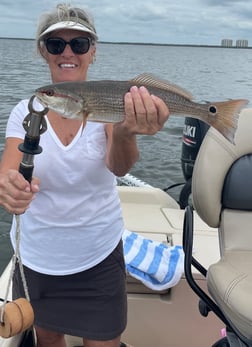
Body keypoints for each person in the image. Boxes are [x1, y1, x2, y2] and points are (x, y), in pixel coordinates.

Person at [0, 3, 169, 347]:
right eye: (55, 44)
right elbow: (9, 168)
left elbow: (119, 167)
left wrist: (124, 133)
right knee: (48, 340)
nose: (67, 52)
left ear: (92, 52)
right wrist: (8, 187)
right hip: (38, 258)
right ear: (42, 51)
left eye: (78, 44)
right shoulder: (27, 110)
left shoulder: (109, 103)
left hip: (98, 255)